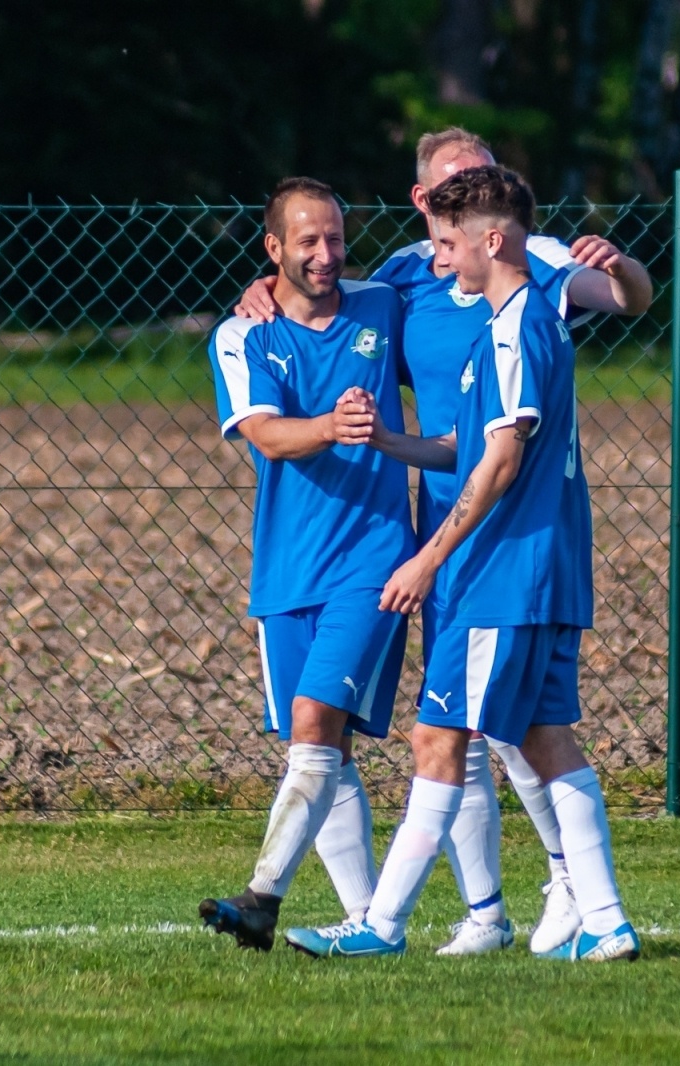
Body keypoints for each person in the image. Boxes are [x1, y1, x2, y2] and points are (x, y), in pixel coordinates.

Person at [236, 129, 651, 956]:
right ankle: (594, 917)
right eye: (439, 221)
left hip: (498, 556)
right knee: (537, 733)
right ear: (423, 204)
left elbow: (499, 457)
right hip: (510, 556)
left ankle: (385, 926)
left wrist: (426, 556)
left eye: (457, 239)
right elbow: (463, 439)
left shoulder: (524, 306)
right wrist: (272, 286)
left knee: (443, 736)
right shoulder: (422, 285)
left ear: (488, 235)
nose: (442, 255)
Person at [197, 176, 415, 951]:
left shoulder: (383, 301)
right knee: (321, 749)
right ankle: (372, 923)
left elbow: (470, 264)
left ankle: (261, 896)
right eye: (308, 242)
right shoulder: (241, 335)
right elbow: (266, 435)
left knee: (315, 720)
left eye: (335, 238)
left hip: (375, 559)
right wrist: (328, 424)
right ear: (274, 250)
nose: (326, 255)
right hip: (288, 569)